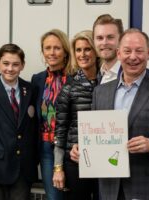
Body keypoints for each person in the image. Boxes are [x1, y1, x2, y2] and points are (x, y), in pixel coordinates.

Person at [92, 28, 149, 200]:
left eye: (139, 51)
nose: (133, 57)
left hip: (148, 186)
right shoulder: (100, 92)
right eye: (127, 51)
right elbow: (93, 134)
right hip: (109, 188)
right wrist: (82, 149)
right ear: (119, 54)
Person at [0, 44, 38, 200]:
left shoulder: (30, 90)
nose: (10, 68)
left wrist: (33, 160)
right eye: (6, 63)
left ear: (22, 65)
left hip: (23, 170)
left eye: (15, 64)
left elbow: (34, 129)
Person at [52, 30, 99, 200]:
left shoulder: (111, 82)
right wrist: (58, 167)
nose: (82, 54)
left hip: (105, 160)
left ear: (96, 51)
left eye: (87, 49)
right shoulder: (69, 87)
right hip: (76, 161)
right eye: (78, 50)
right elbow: (60, 129)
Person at [31, 29, 71, 200]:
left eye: (57, 48)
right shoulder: (37, 79)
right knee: (53, 197)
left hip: (70, 148)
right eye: (47, 48)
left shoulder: (75, 77)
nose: (52, 53)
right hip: (47, 148)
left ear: (65, 52)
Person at [92, 14, 123, 84]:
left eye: (110, 37)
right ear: (93, 41)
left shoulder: (132, 75)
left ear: (121, 39)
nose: (104, 43)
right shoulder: (100, 74)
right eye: (100, 38)